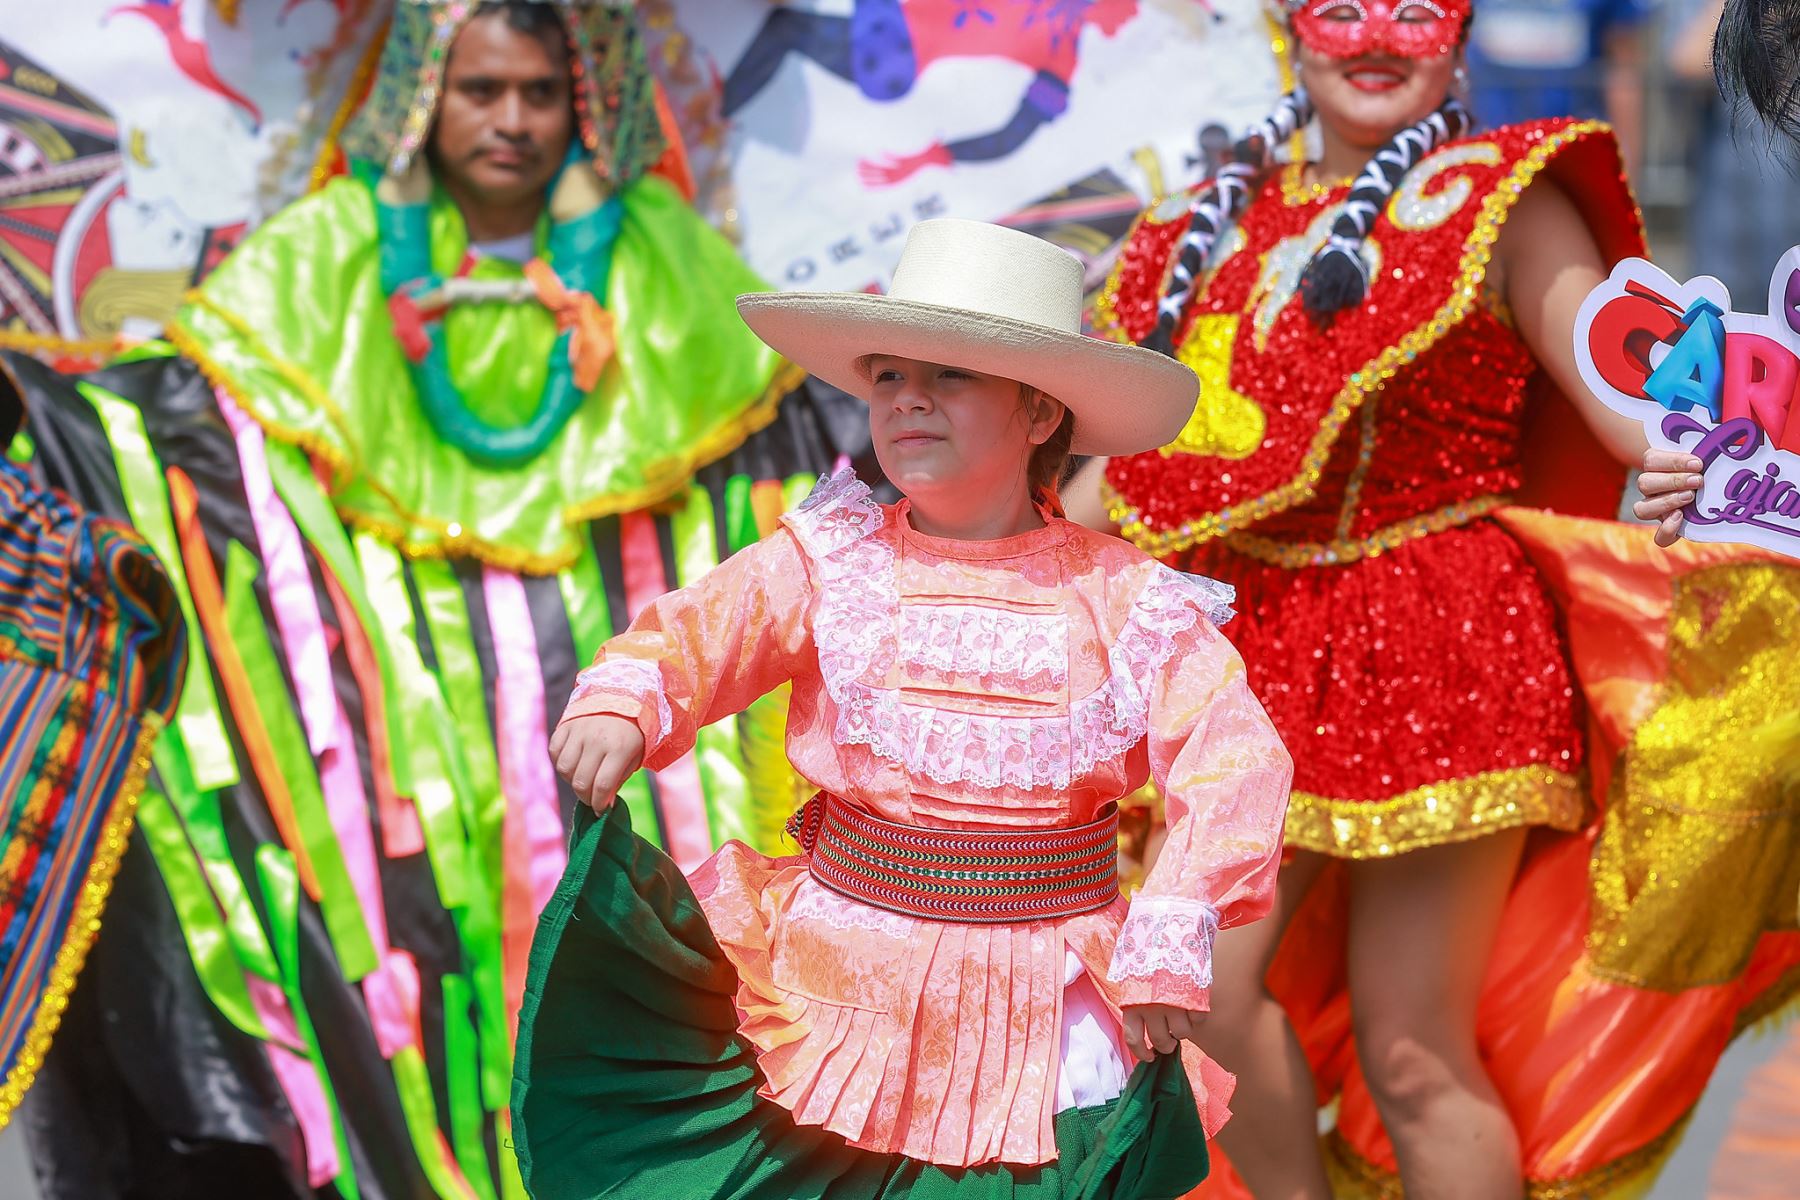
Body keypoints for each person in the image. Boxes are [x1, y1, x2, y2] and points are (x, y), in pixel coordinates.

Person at [7, 2, 875, 1196]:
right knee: (422, 969)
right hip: (404, 747)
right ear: (421, 94)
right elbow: (172, 438)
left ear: (586, 103)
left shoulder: (672, 269)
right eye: (480, 90)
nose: (511, 121)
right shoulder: (325, 263)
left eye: (539, 93)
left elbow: (809, 453)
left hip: (629, 710)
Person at [1075, 0, 1800, 1196]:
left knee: (1412, 1049)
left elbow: (1631, 397)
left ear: (1459, 32)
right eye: (1343, 9)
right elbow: (1133, 473)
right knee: (1195, 994)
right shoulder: (1202, 229)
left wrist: (1696, 463)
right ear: (1289, 26)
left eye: (1413, 11)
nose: (1374, 38)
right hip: (1245, 661)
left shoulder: (1508, 195)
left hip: (1443, 646)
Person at [510, 217, 1296, 1199]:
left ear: (1040, 412)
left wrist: (1172, 927)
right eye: (888, 376)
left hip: (1042, 1016)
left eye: (950, 375)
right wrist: (625, 703)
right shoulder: (832, 560)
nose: (909, 399)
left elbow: (1235, 761)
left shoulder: (1127, 600)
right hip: (833, 989)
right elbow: (694, 634)